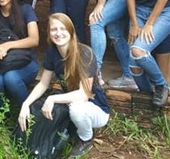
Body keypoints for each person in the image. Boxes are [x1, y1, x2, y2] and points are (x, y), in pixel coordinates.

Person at [18, 14, 109, 159]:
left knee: (76, 109)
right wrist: (26, 104)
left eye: (63, 29)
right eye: (54, 29)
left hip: (96, 109)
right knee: (65, 107)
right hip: (73, 103)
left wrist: (52, 99)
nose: (58, 33)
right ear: (49, 33)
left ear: (71, 31)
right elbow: (43, 83)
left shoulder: (84, 53)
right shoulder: (52, 52)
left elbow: (84, 94)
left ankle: (85, 139)